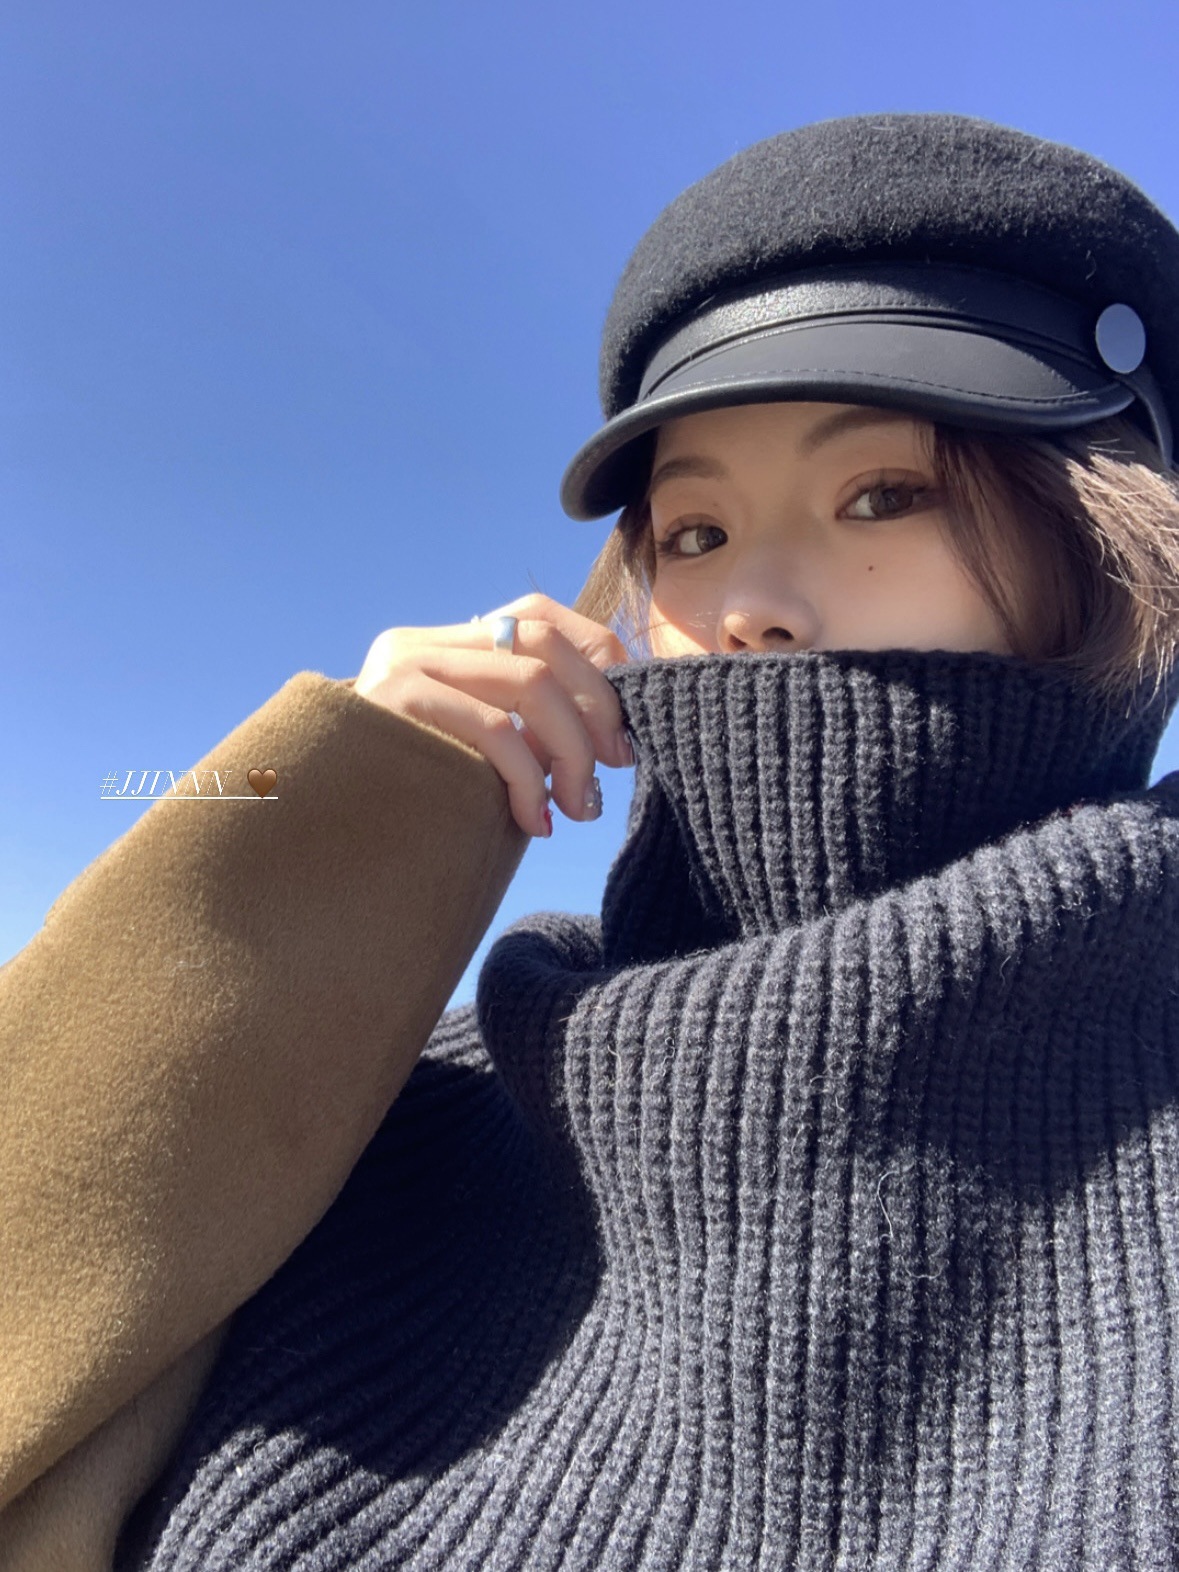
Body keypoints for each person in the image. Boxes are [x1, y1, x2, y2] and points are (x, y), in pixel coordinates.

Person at [4, 111, 1179, 1568]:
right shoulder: (414, 1103)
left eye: (884, 494)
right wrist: (322, 807)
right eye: (694, 534)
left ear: (1107, 547)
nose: (753, 605)